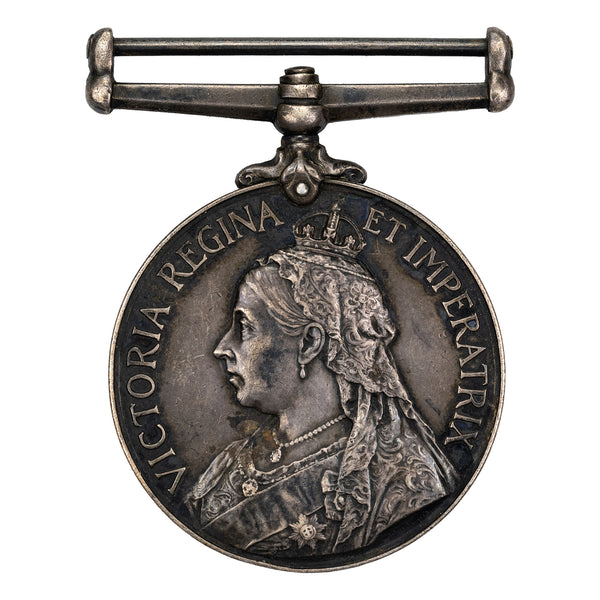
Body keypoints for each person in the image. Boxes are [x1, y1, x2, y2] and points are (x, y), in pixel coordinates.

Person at [184, 202, 456, 557]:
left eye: (245, 328)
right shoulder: (228, 464)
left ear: (310, 343)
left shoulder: (402, 480)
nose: (222, 348)